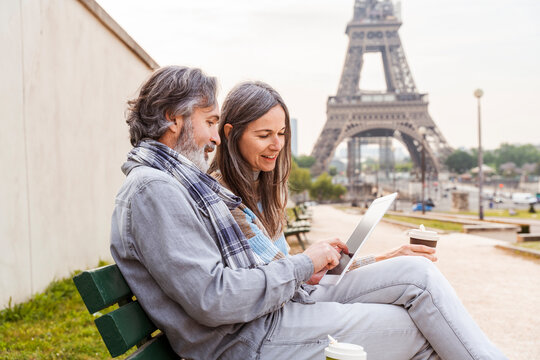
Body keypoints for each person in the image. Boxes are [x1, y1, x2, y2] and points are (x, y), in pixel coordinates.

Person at [110, 66, 508, 360]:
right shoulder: (155, 189)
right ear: (171, 118)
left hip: (266, 319)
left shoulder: (175, 183)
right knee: (420, 332)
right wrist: (303, 265)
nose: (214, 137)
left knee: (419, 277)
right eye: (210, 122)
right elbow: (216, 300)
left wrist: (313, 265)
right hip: (250, 339)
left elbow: (244, 277)